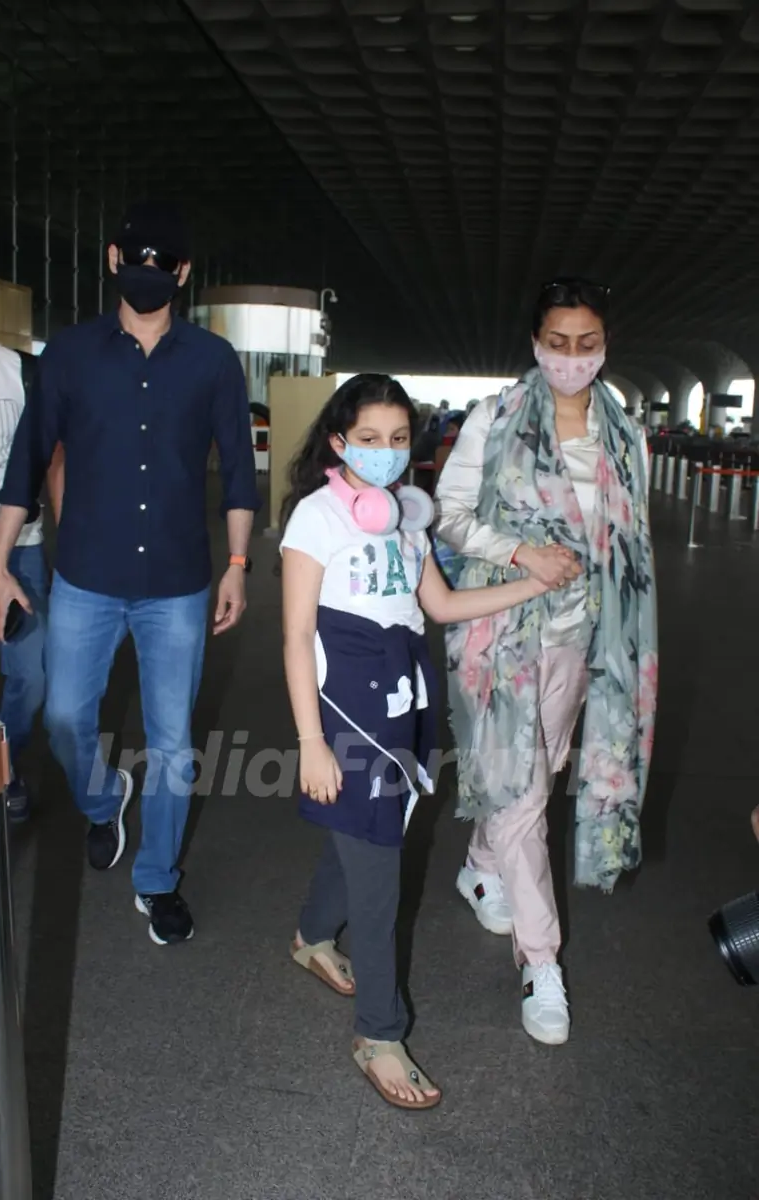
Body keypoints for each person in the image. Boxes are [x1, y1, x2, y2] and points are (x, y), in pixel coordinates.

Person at [279, 374, 577, 1109]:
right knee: (381, 875)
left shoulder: (409, 521)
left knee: (366, 835)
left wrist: (531, 583)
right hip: (346, 711)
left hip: (406, 700)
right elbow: (293, 638)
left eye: (400, 439)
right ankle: (379, 1034)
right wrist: (310, 743)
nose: (386, 453)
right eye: (370, 440)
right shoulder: (316, 519)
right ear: (339, 441)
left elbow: (439, 605)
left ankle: (312, 936)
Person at [0, 200, 260, 946]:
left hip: (177, 583)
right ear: (114, 260)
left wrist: (237, 566)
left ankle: (157, 880)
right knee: (65, 718)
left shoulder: (212, 362)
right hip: (84, 576)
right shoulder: (72, 355)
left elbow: (239, 473)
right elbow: (26, 461)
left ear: (182, 273)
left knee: (173, 742)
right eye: (134, 263)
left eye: (161, 267)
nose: (147, 277)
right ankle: (105, 798)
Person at [434, 278, 658, 1045]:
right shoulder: (493, 421)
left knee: (538, 776)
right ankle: (542, 964)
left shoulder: (626, 437)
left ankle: (476, 868)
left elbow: (630, 549)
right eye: (557, 343)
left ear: (604, 345)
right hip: (499, 635)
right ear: (535, 344)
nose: (570, 357)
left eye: (585, 343)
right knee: (525, 794)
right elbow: (450, 517)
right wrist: (521, 551)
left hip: (578, 636)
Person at [0, 260, 63, 822]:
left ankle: (8, 762)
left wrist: (67, 541)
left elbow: (55, 459)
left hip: (21, 547)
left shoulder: (25, 374)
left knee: (32, 675)